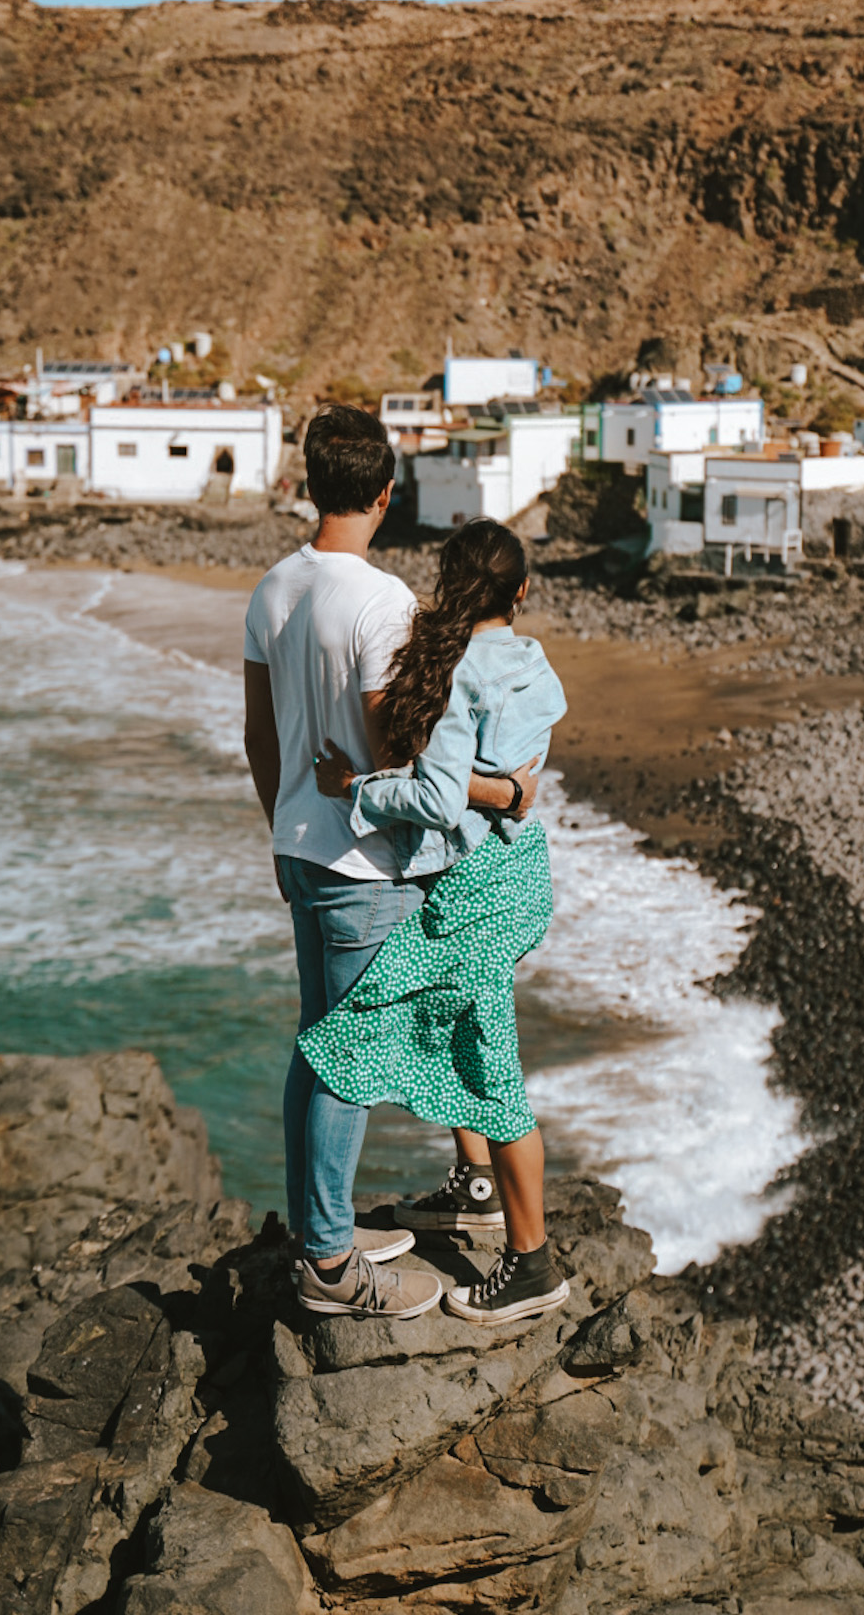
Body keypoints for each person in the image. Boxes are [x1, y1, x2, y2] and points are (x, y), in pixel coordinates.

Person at [243, 407, 539, 1320]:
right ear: (384, 493)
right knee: (353, 1061)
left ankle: (317, 1227)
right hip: (366, 864)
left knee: (319, 1045)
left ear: (307, 484)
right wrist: (506, 796)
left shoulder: (271, 588)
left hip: (300, 846)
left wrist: (287, 826)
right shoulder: (380, 603)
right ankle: (330, 1263)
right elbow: (405, 754)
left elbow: (259, 735)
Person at [304, 517, 571, 1326]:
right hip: (522, 873)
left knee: (478, 1059)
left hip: (480, 886)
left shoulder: (461, 674)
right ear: (521, 591)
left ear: (451, 589)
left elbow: (430, 796)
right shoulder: (536, 664)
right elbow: (510, 782)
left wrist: (351, 786)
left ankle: (531, 1265)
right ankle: (478, 1184)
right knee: (456, 1023)